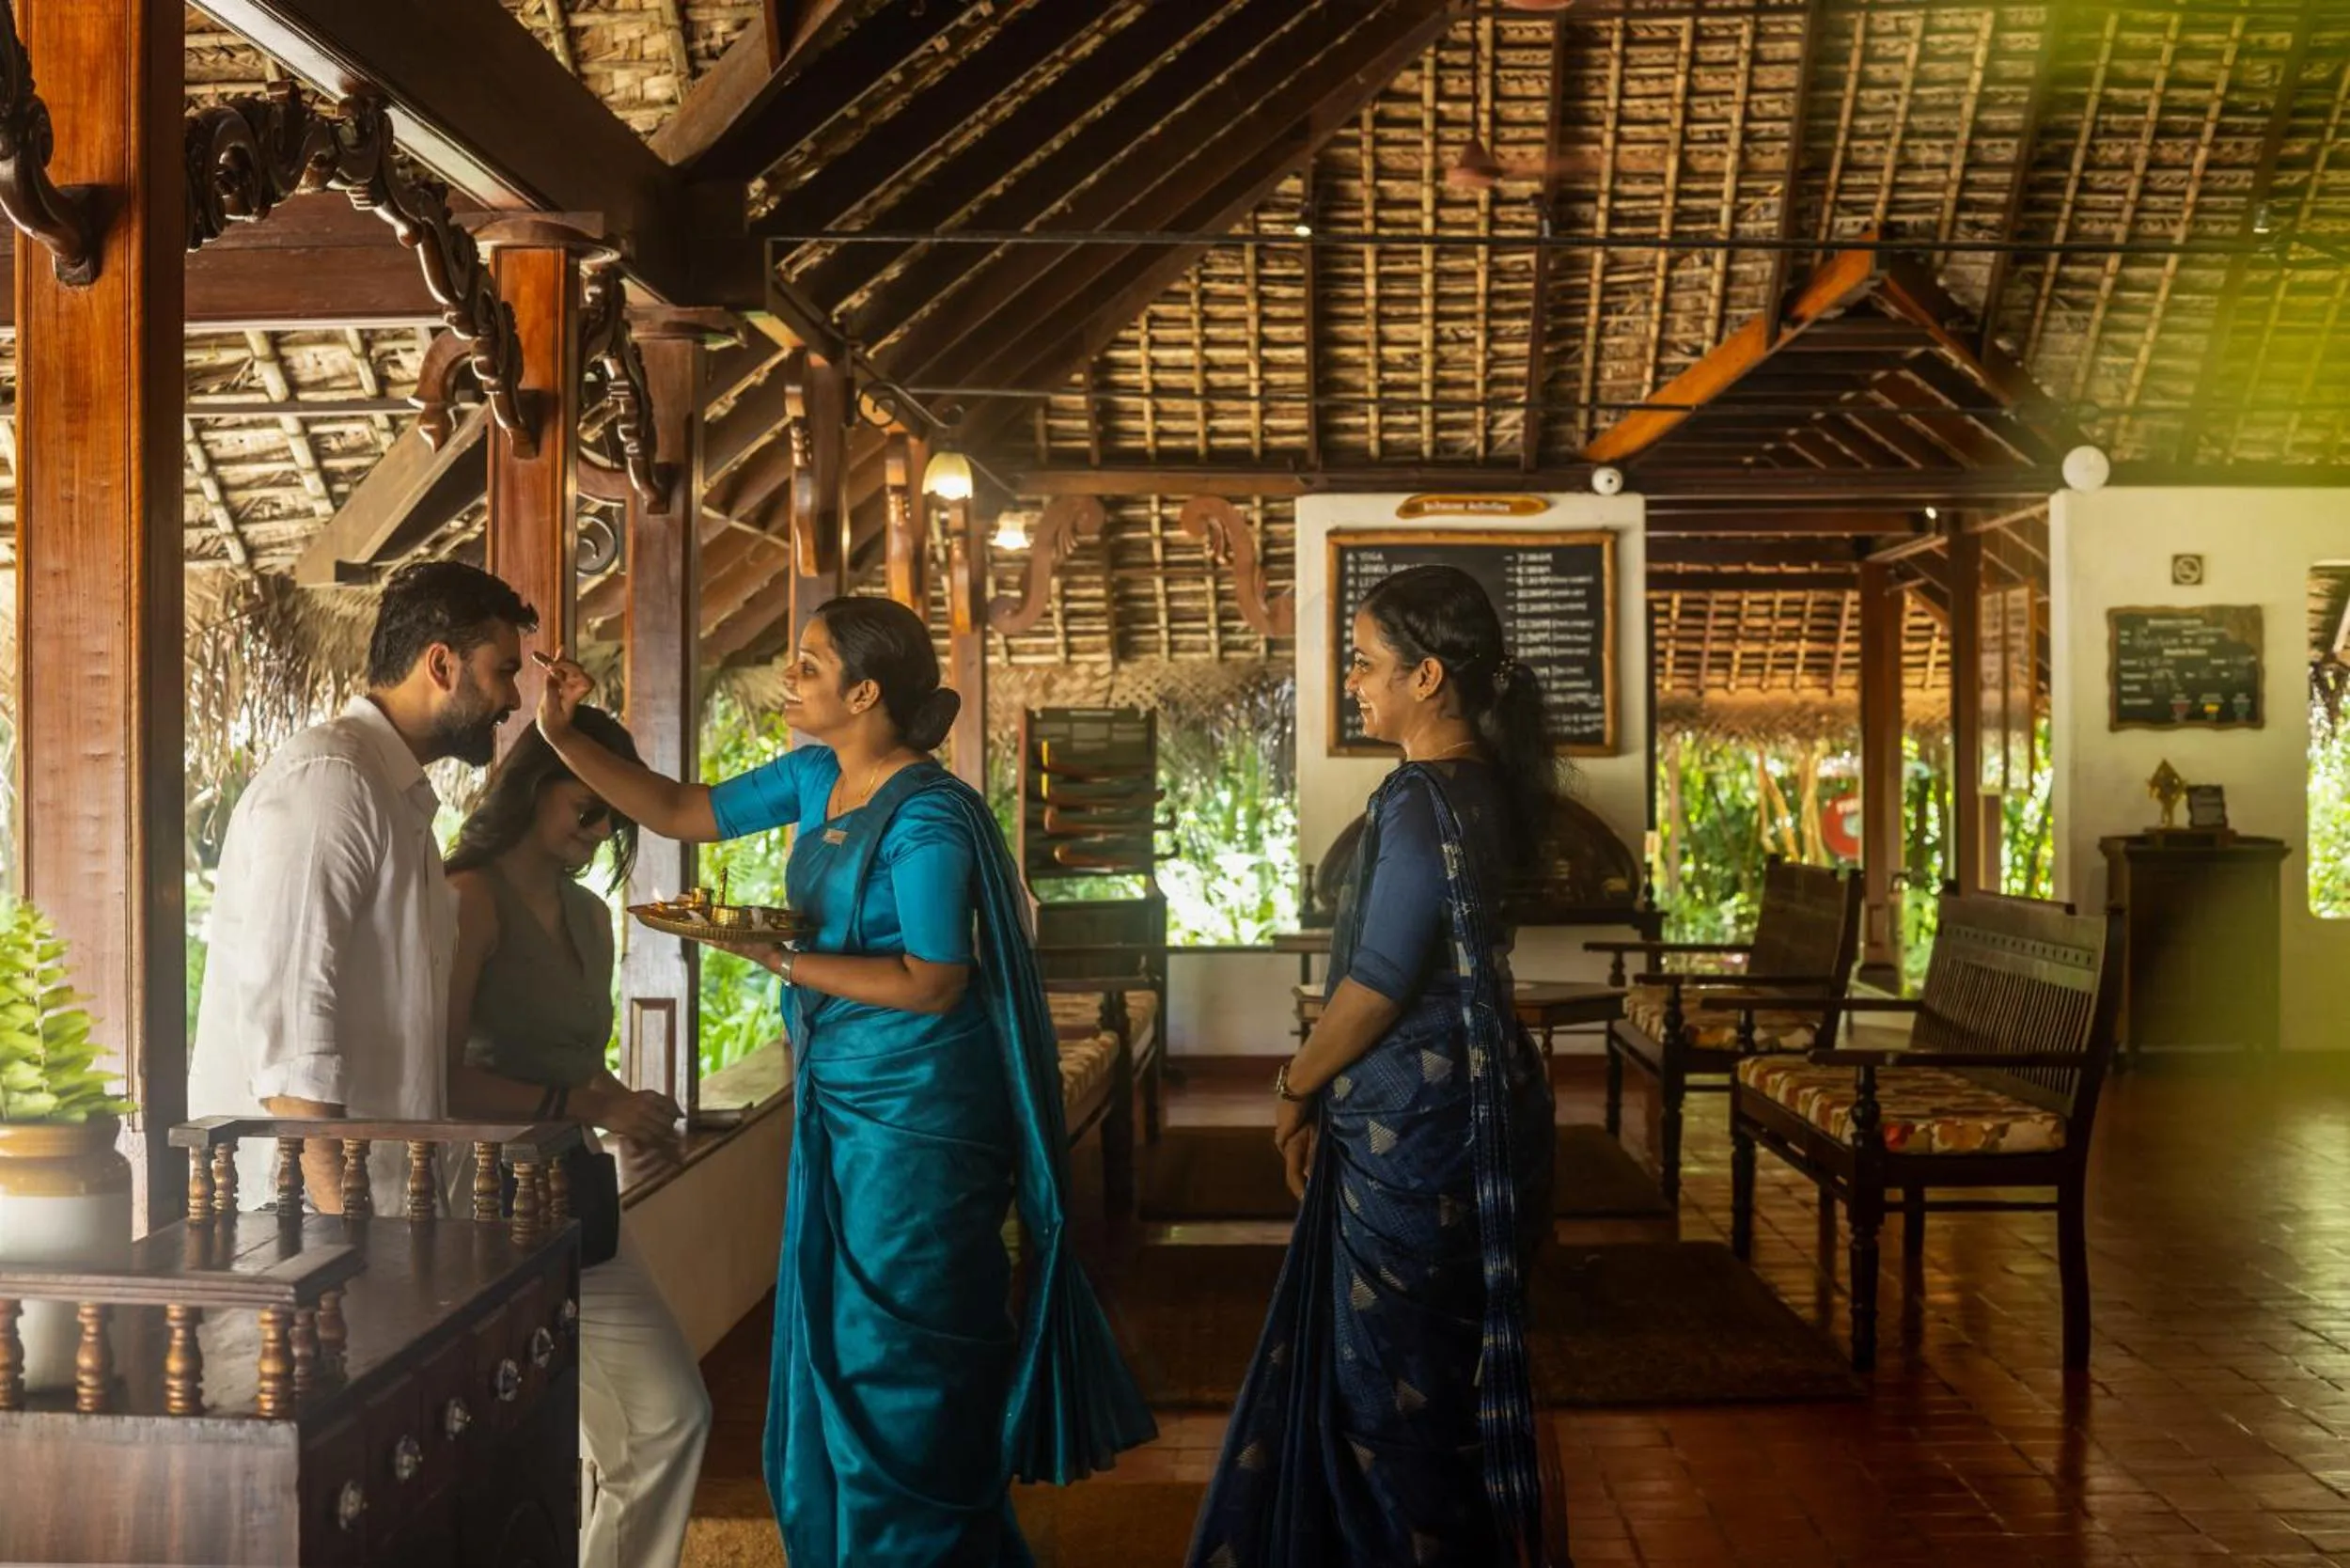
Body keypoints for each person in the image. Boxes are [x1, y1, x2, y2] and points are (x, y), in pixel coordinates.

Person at [533, 596, 1155, 1567]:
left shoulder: (929, 819)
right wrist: (559, 735)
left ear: (864, 692)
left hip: (922, 1118)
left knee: (899, 1347)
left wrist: (774, 962)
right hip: (843, 1095)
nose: (791, 676)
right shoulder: (820, 772)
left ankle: (922, 1544)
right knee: (839, 1328)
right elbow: (681, 810)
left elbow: (934, 981)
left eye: (810, 664)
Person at [1187, 564, 1558, 1567]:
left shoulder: (1417, 798)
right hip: (1487, 1099)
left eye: (1365, 663)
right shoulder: (1489, 785)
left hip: (1421, 1117)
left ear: (1426, 675)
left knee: (1395, 1392)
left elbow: (1377, 984)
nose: (1353, 682)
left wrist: (1292, 1085)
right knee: (1451, 1376)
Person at [443, 705, 710, 1568]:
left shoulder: (593, 920)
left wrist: (628, 1107)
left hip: (574, 1193)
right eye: (587, 808)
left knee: (670, 1415)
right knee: (516, 1448)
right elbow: (442, 1085)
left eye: (615, 817)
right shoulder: (466, 900)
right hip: (478, 1203)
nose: (601, 832)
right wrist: (589, 1104)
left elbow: (582, 1072)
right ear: (532, 785)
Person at [187, 560, 536, 1210]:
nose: (513, 700)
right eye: (505, 671)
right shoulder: (332, 782)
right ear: (442, 665)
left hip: (372, 1220)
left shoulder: (392, 796)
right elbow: (293, 1039)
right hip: (306, 1228)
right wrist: (346, 1230)